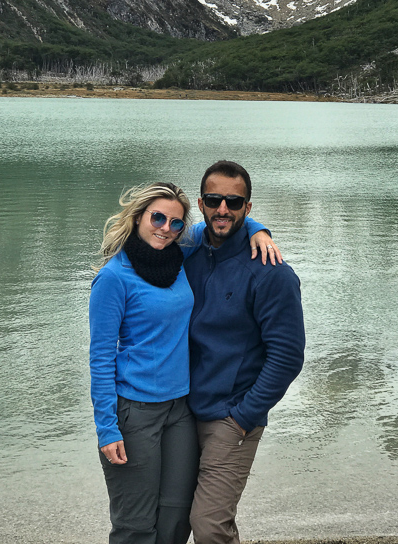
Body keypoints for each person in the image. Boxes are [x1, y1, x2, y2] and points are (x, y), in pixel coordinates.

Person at [88, 181, 278, 544]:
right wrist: (107, 428)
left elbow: (219, 222)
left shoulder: (181, 252)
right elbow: (99, 358)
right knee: (136, 525)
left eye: (176, 223)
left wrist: (259, 230)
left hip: (180, 410)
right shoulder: (113, 278)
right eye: (157, 218)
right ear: (138, 216)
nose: (166, 228)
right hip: (134, 411)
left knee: (177, 518)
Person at [186, 161, 306, 544]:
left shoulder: (271, 272)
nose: (223, 209)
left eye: (234, 202)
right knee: (173, 517)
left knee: (208, 526)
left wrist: (244, 416)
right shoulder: (187, 250)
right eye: (214, 199)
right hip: (181, 410)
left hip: (231, 417)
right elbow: (147, 235)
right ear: (201, 204)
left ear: (248, 207)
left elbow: (288, 355)